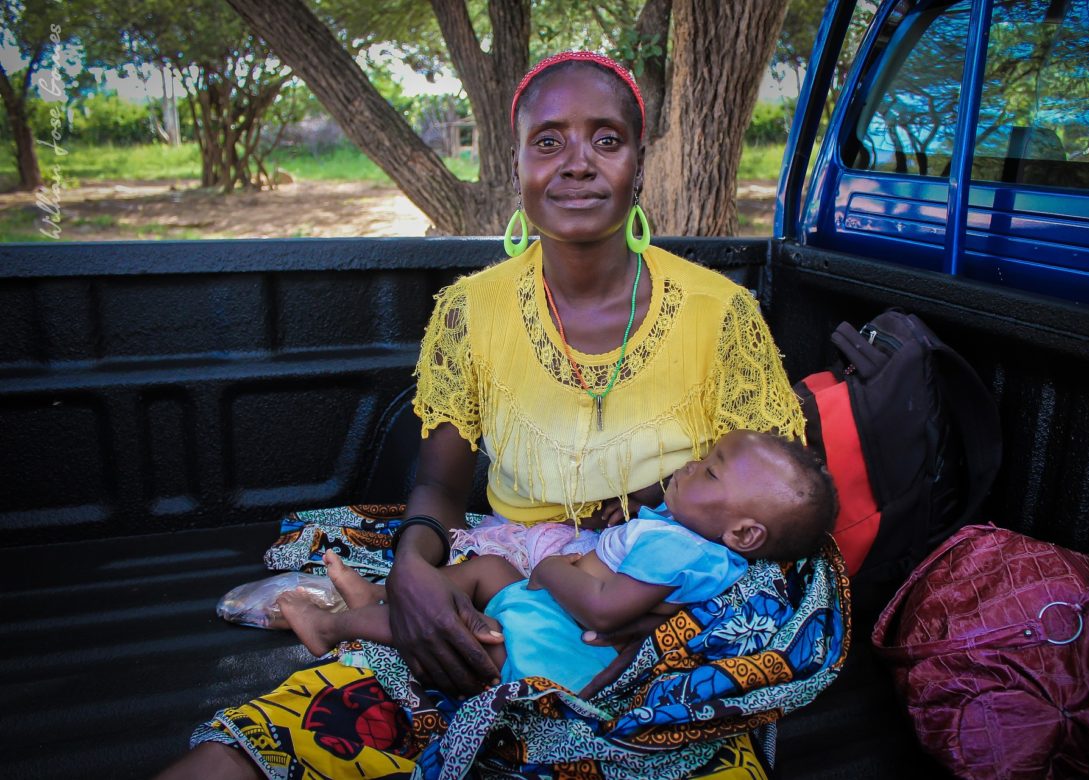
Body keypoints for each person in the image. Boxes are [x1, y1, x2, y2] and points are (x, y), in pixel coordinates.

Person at [163, 50, 809, 779]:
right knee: (282, 736)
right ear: (516, 164)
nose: (576, 163)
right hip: (510, 582)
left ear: (639, 163)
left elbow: (762, 502)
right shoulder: (472, 310)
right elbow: (440, 484)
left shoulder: (719, 313)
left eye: (606, 139)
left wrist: (664, 607)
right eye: (548, 141)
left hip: (659, 625)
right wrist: (411, 568)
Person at [277, 431, 836, 693]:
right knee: (488, 572)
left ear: (743, 532)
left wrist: (547, 572)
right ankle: (383, 598)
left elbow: (603, 614)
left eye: (710, 471)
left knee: (469, 629)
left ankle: (332, 624)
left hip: (553, 642)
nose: (691, 464)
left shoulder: (679, 549)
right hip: (553, 611)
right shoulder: (691, 538)